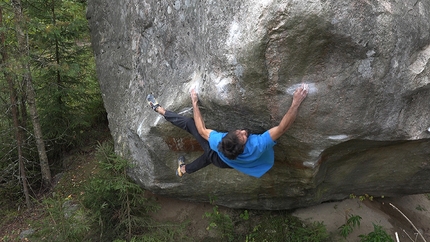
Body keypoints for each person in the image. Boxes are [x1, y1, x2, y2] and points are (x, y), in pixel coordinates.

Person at [147, 84, 308, 178]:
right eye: (242, 134)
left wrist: (195, 103)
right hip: (229, 161)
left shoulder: (218, 140)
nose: (244, 132)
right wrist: (295, 103)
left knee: (200, 141)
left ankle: (182, 169)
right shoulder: (257, 145)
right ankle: (183, 169)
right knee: (206, 154)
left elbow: (202, 130)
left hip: (224, 159)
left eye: (242, 134)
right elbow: (282, 128)